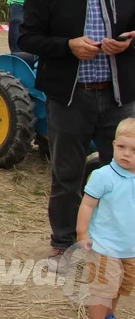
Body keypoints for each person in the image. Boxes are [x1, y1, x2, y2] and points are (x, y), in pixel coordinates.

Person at [18, 0, 135, 273]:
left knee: (121, 174)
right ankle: (64, 247)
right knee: (66, 175)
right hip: (70, 98)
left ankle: (117, 246)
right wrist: (68, 45)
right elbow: (28, 38)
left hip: (119, 97)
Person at [76, 117, 135, 319]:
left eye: (134, 150)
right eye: (122, 147)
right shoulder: (103, 176)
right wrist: (82, 233)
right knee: (102, 289)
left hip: (129, 248)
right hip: (104, 246)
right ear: (113, 145)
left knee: (119, 286)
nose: (126, 154)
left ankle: (110, 314)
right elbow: (87, 205)